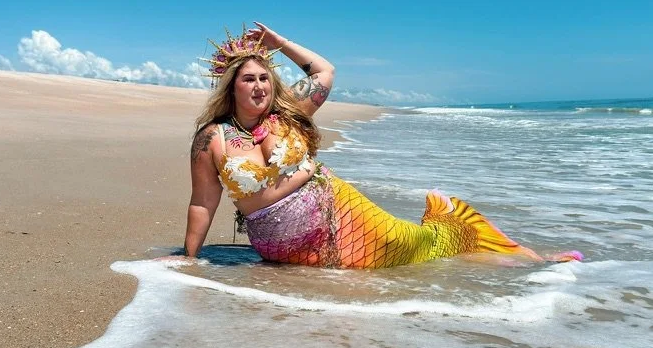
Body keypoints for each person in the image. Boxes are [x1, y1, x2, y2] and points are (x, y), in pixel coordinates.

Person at [183, 23, 583, 267]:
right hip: (279, 247)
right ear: (232, 87)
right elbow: (203, 202)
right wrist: (188, 258)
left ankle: (523, 258)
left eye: (264, 78)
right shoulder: (212, 139)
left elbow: (325, 71)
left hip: (343, 213)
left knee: (412, 243)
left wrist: (279, 42)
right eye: (249, 79)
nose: (259, 86)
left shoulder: (289, 114)